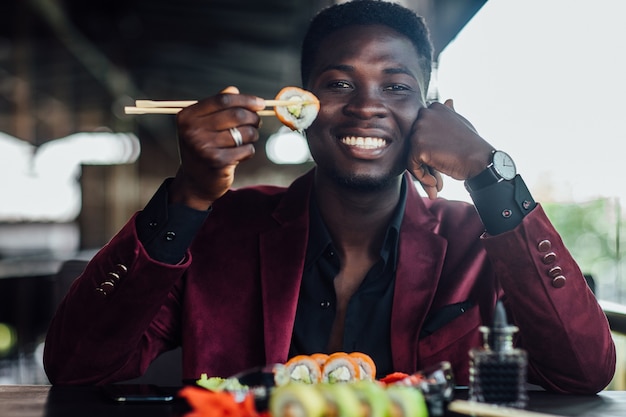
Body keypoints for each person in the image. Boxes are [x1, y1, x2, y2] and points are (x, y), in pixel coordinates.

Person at [43, 0, 615, 393]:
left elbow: (583, 372)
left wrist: (492, 176)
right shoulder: (222, 227)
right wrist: (190, 194)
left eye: (397, 87)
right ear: (298, 111)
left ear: (428, 111)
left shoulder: (476, 239)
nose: (367, 106)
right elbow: (75, 366)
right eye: (338, 84)